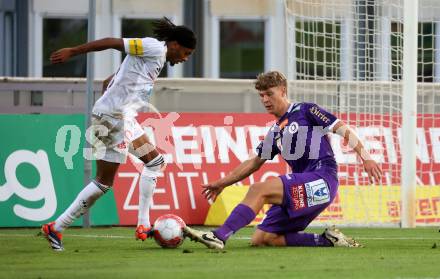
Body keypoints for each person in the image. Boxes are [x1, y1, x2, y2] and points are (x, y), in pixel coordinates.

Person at [41, 17, 196, 251]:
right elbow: (112, 42)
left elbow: (112, 79)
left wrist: (110, 90)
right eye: (186, 53)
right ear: (175, 44)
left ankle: (139, 224)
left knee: (139, 168)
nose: (184, 58)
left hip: (119, 119)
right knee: (121, 176)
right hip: (114, 119)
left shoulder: (156, 58)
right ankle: (61, 227)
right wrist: (73, 50)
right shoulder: (154, 47)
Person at [183, 71, 382, 249]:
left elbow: (342, 128)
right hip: (305, 187)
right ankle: (327, 240)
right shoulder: (276, 132)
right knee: (263, 238)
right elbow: (254, 162)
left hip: (322, 179)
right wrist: (222, 183)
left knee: (258, 189)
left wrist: (366, 157)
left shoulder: (306, 110)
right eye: (261, 95)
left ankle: (218, 236)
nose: (265, 99)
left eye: (270, 93)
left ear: (283, 91)